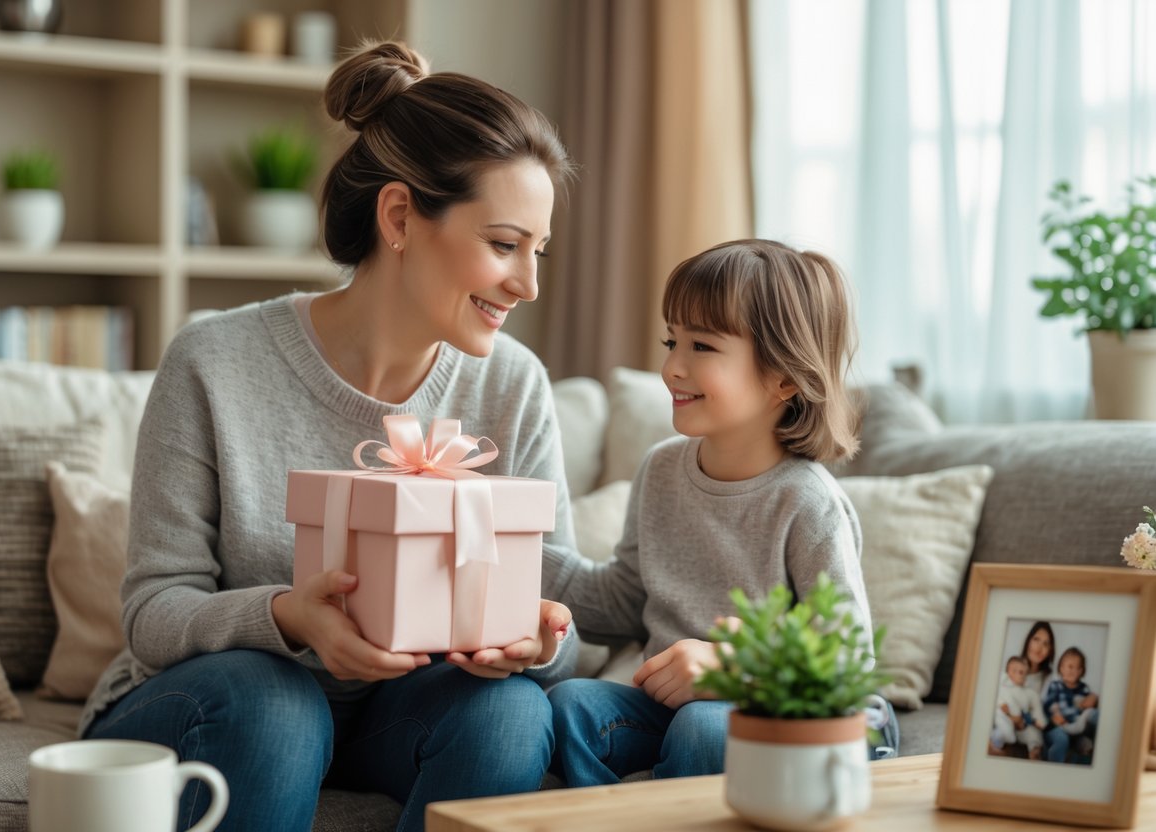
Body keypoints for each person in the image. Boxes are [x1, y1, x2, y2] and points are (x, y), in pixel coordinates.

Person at [81, 40, 581, 832]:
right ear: (398, 217)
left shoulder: (512, 384)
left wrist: (539, 640)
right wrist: (284, 616)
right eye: (503, 244)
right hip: (218, 706)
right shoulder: (214, 359)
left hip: (392, 718)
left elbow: (560, 606)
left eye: (537, 251)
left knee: (510, 713)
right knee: (277, 705)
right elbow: (154, 610)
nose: (527, 284)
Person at [544, 239, 880, 786]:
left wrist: (733, 671)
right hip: (666, 706)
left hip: (771, 715)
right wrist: (510, 553)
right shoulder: (660, 470)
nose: (672, 366)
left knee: (703, 726)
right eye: (671, 340)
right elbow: (624, 600)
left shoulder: (807, 501)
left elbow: (846, 661)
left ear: (784, 378)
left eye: (701, 346)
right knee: (570, 704)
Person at [1044, 646, 1100, 763]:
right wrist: (1055, 713)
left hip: (1078, 727)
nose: (1072, 671)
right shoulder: (1056, 685)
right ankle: (1054, 768)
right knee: (1062, 740)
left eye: (1077, 668)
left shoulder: (1084, 689)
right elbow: (1050, 702)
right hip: (1059, 725)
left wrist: (1094, 698)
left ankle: (1082, 755)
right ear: (1061, 668)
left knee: (1093, 721)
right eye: (1069, 666)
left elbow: (1088, 706)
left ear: (1081, 671)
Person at [991, 655, 1047, 759]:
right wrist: (1007, 712)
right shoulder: (1002, 688)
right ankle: (995, 743)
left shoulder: (1029, 693)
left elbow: (1036, 709)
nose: (1024, 676)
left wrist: (1039, 721)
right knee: (1001, 731)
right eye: (1021, 672)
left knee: (1034, 734)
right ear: (1010, 672)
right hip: (1006, 720)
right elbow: (997, 701)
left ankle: (1034, 750)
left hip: (1022, 726)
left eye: (1026, 673)